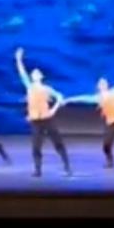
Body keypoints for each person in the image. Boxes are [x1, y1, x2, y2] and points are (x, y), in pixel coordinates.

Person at [15, 48, 71, 177]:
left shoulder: (47, 88)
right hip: (35, 120)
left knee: (58, 142)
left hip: (47, 118)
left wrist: (54, 109)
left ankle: (67, 166)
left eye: (37, 73)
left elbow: (59, 97)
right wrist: (19, 59)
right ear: (32, 77)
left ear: (41, 76)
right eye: (33, 73)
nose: (35, 74)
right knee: (36, 146)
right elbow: (22, 72)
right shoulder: (29, 87)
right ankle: (38, 170)